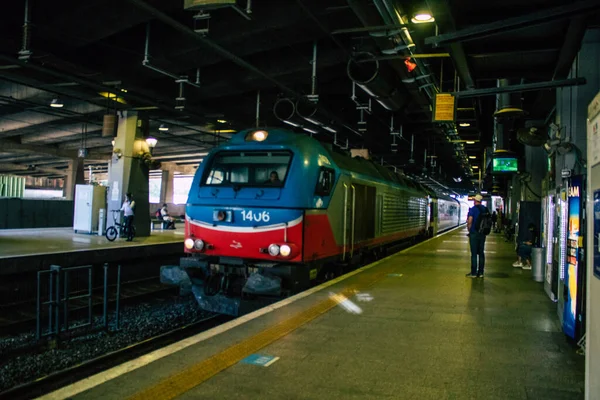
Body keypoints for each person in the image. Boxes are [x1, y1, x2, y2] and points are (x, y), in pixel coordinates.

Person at [466, 194, 489, 278]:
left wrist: (469, 229)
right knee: (481, 253)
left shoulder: (473, 209)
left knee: (474, 253)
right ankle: (481, 272)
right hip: (483, 234)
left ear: (475, 201)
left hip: (474, 233)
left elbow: (470, 221)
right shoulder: (485, 209)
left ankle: (473, 273)